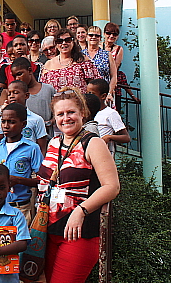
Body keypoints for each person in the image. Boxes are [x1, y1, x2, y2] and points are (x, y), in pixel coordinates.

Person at [37, 87, 120, 283]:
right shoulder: (54, 143)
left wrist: (81, 211)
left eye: (71, 112)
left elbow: (112, 186)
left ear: (82, 113)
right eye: (60, 114)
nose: (66, 118)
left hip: (79, 233)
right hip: (49, 231)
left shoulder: (93, 143)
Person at [0, 103, 43, 225]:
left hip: (21, 208)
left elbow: (42, 181)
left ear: (23, 124)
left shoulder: (32, 148)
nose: (6, 126)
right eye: (3, 122)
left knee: (21, 242)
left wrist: (18, 180)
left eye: (11, 122)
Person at [40, 29, 102, 93]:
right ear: (56, 44)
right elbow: (44, 89)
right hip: (56, 101)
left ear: (73, 41)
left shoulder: (83, 60)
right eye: (60, 41)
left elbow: (97, 84)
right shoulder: (48, 64)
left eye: (68, 40)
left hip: (80, 101)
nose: (64, 43)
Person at [8, 57, 55, 131]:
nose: (17, 78)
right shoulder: (17, 95)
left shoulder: (48, 89)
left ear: (30, 70)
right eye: (14, 76)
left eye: (19, 74)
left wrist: (48, 123)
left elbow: (57, 112)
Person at [1, 80, 48, 155]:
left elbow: (42, 149)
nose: (12, 96)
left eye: (15, 93)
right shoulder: (4, 119)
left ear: (26, 95)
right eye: (9, 94)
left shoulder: (37, 119)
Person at [102, 22, 140, 109]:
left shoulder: (118, 49)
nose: (111, 36)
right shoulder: (99, 46)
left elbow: (115, 68)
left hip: (110, 82)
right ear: (104, 34)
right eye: (108, 33)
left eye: (114, 34)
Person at [87, 79, 130, 155]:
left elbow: (126, 137)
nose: (89, 96)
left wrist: (109, 137)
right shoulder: (86, 112)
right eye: (87, 93)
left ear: (103, 96)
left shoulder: (110, 113)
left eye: (92, 93)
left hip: (103, 154)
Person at [82, 26, 117, 101]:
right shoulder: (80, 55)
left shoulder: (107, 55)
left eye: (97, 35)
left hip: (103, 95)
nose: (93, 37)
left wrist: (109, 93)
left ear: (100, 38)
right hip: (85, 96)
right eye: (91, 35)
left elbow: (114, 76)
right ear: (87, 37)